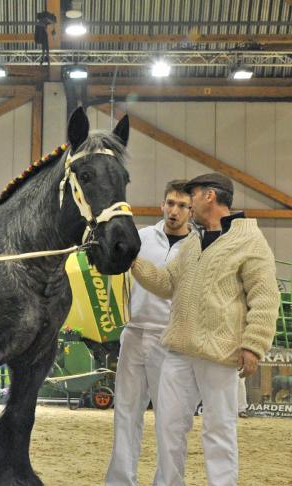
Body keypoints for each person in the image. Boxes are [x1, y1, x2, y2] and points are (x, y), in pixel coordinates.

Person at [131, 172, 279, 486]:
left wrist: (253, 345)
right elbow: (167, 282)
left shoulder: (250, 240)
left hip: (220, 353)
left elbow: (265, 297)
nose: (188, 203)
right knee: (168, 427)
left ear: (209, 196)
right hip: (179, 349)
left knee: (219, 430)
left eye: (192, 196)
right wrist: (133, 260)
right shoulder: (192, 241)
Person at [105, 180, 191, 485]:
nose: (174, 211)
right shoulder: (140, 239)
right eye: (170, 203)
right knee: (125, 414)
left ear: (191, 211)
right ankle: (119, 480)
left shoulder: (196, 248)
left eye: (182, 206)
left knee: (171, 422)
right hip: (133, 334)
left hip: (171, 342)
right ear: (162, 205)